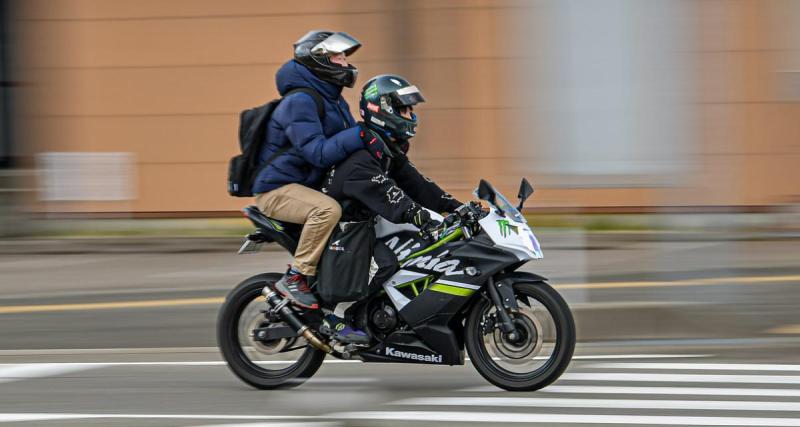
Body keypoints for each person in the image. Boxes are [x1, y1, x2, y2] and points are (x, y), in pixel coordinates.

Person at [319, 74, 463, 343]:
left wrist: (455, 207)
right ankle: (337, 316)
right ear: (381, 110)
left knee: (422, 243)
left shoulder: (385, 149)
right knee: (388, 262)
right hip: (346, 229)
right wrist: (417, 215)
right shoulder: (360, 156)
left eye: (410, 109)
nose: (411, 116)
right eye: (404, 109)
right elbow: (386, 193)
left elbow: (419, 185)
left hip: (365, 223)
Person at [253, 30, 372, 310]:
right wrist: (362, 135)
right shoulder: (300, 101)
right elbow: (317, 153)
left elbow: (350, 144)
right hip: (277, 189)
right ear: (318, 59)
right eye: (338, 55)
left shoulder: (333, 100)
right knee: (327, 210)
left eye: (344, 56)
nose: (345, 61)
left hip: (306, 185)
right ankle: (296, 276)